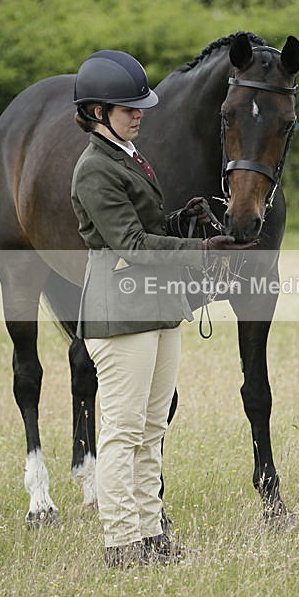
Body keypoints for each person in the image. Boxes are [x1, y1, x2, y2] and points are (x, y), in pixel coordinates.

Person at [71, 49, 253, 568]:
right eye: (128, 108)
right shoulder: (93, 169)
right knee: (123, 432)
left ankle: (151, 534)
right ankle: (122, 541)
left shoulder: (129, 155)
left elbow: (147, 228)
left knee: (153, 430)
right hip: (120, 311)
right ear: (96, 111)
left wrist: (181, 220)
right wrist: (201, 251)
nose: (139, 113)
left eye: (139, 106)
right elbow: (128, 243)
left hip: (157, 307)